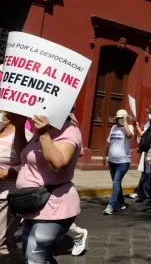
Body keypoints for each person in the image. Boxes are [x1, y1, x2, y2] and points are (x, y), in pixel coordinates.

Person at [16, 112, 83, 263]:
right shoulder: (46, 129)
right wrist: (19, 126)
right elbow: (23, 154)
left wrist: (43, 133)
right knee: (34, 256)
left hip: (52, 203)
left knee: (35, 259)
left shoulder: (68, 130)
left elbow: (57, 165)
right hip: (33, 202)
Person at [0, 111, 31, 261]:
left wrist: (8, 172)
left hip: (8, 196)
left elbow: (31, 164)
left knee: (2, 243)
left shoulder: (25, 135)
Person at [103, 109, 134, 215]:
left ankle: (111, 205)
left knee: (116, 182)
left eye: (122, 118)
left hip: (123, 161)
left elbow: (129, 136)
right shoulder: (113, 127)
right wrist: (104, 155)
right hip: (112, 161)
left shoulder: (129, 127)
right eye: (119, 118)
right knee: (117, 183)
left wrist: (125, 122)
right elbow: (109, 142)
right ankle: (121, 203)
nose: (119, 120)